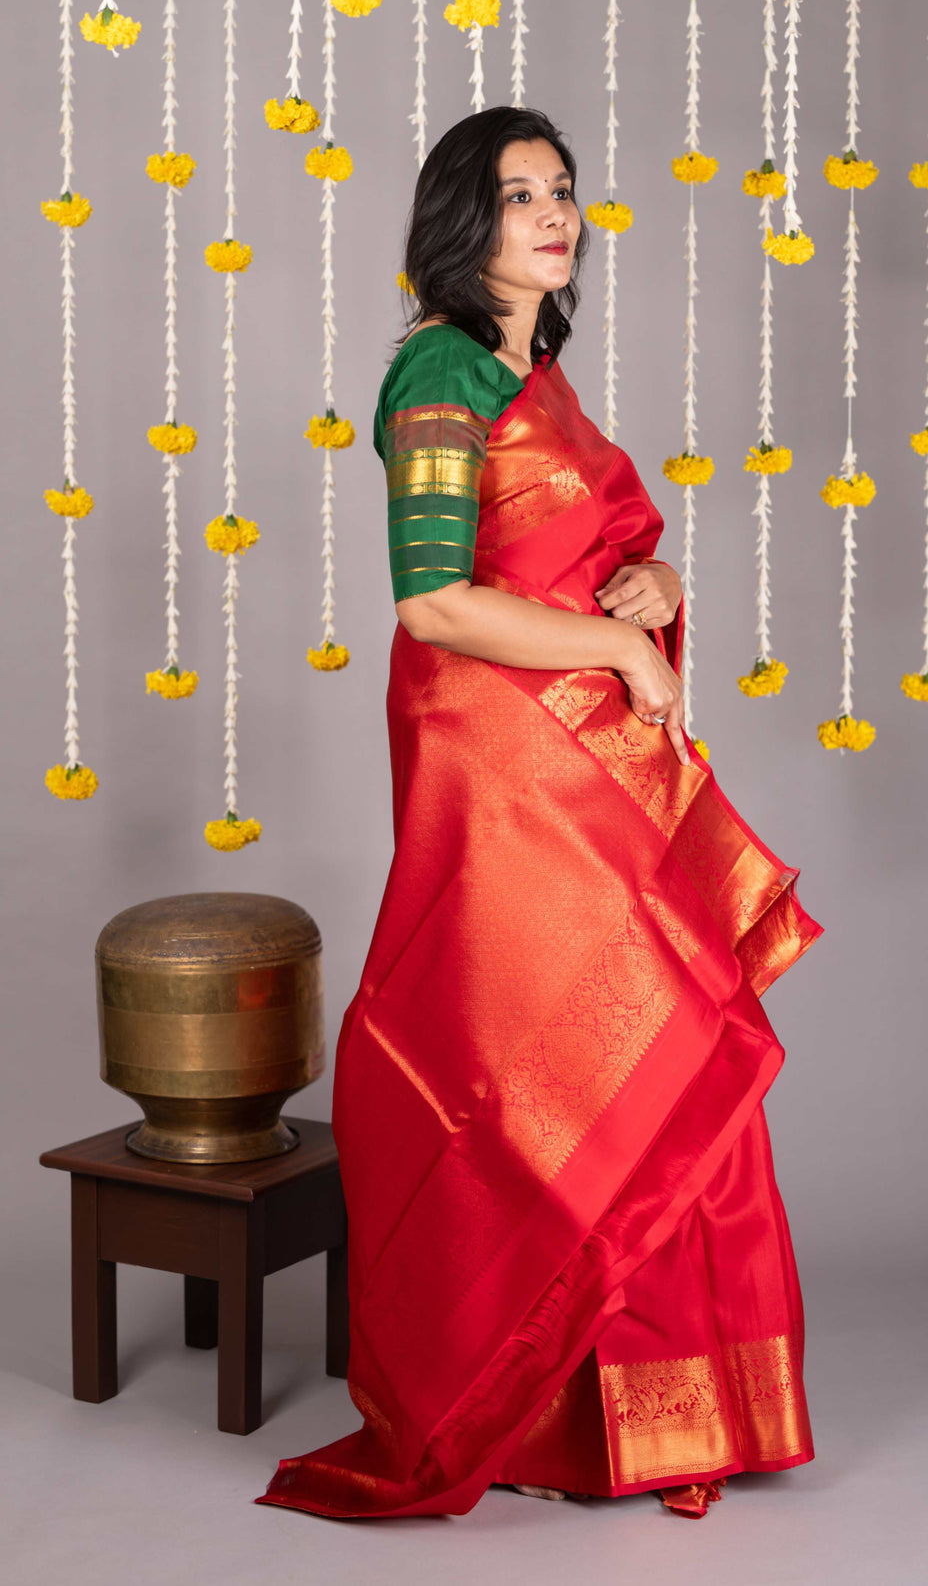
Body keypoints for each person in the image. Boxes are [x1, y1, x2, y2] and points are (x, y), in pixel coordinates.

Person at [256, 107, 822, 1523]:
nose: (552, 215)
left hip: (589, 754)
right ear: (465, 220)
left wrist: (657, 598)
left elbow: (605, 555)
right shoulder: (439, 373)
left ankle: (665, 1414)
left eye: (562, 191)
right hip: (501, 772)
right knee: (531, 1066)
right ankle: (524, 1405)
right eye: (518, 197)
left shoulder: (541, 374)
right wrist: (621, 652)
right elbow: (436, 598)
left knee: (665, 1054)